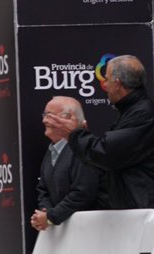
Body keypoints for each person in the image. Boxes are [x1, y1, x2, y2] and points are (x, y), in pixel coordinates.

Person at [47, 55, 154, 210]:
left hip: (143, 213)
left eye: (107, 79)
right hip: (134, 210)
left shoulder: (142, 114)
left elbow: (108, 153)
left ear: (117, 83)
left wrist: (75, 134)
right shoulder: (132, 112)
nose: (104, 84)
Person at [31, 97, 100, 231]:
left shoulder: (84, 150)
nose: (44, 120)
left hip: (89, 231)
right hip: (64, 234)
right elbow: (43, 189)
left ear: (68, 118)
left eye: (50, 116)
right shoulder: (51, 152)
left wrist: (51, 217)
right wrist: (46, 213)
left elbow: (83, 193)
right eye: (44, 115)